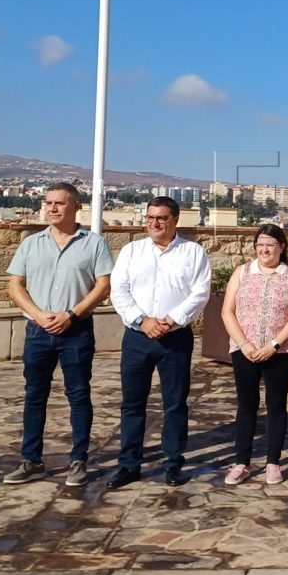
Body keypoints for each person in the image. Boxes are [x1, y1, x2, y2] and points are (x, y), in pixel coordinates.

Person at [3, 182, 113, 487]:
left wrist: (71, 314)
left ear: (76, 207)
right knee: (34, 395)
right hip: (38, 331)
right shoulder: (31, 243)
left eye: (59, 203)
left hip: (75, 331)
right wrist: (38, 314)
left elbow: (103, 287)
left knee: (78, 395)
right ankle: (31, 461)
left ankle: (78, 460)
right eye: (48, 202)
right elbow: (15, 285)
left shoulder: (93, 244)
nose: (52, 208)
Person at [107, 196, 210, 489]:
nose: (154, 223)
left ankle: (173, 463)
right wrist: (143, 320)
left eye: (161, 218)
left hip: (175, 338)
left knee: (175, 404)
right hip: (138, 338)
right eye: (150, 217)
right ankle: (129, 465)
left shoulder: (193, 253)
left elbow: (199, 293)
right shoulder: (131, 251)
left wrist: (170, 320)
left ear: (175, 220)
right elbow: (119, 290)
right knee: (132, 404)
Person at [219, 224, 288, 485]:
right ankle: (241, 462)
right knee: (246, 405)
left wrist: (274, 345)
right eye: (259, 244)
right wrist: (244, 343)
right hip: (244, 350)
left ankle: (273, 462)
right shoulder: (242, 272)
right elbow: (227, 311)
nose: (264, 249)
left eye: (270, 244)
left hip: (280, 352)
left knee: (276, 405)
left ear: (282, 247)